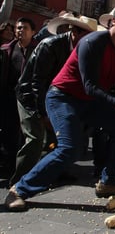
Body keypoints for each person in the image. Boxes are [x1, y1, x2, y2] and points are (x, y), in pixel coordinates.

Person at [5, 2, 115, 211]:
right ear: (114, 21)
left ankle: (111, 182)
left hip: (91, 102)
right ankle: (19, 190)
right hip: (62, 97)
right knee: (70, 148)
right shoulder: (94, 42)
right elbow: (90, 86)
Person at [9, 14, 98, 186]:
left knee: (60, 138)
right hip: (30, 97)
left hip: (55, 97)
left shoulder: (83, 50)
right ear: (75, 33)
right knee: (35, 138)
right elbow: (37, 83)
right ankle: (19, 181)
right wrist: (43, 114)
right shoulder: (50, 45)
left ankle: (55, 173)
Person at [0, 17, 37, 178]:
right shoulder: (7, 49)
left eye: (25, 28)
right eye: (18, 28)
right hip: (9, 96)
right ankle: (7, 166)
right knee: (8, 131)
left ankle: (22, 168)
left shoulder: (39, 50)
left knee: (25, 134)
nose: (20, 31)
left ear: (33, 32)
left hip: (29, 98)